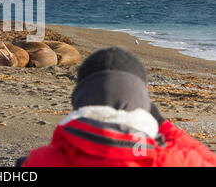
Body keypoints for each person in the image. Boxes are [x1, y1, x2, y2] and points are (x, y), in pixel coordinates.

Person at [19, 47, 216, 167]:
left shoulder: (41, 160)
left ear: (79, 95)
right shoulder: (171, 161)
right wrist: (162, 124)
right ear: (142, 98)